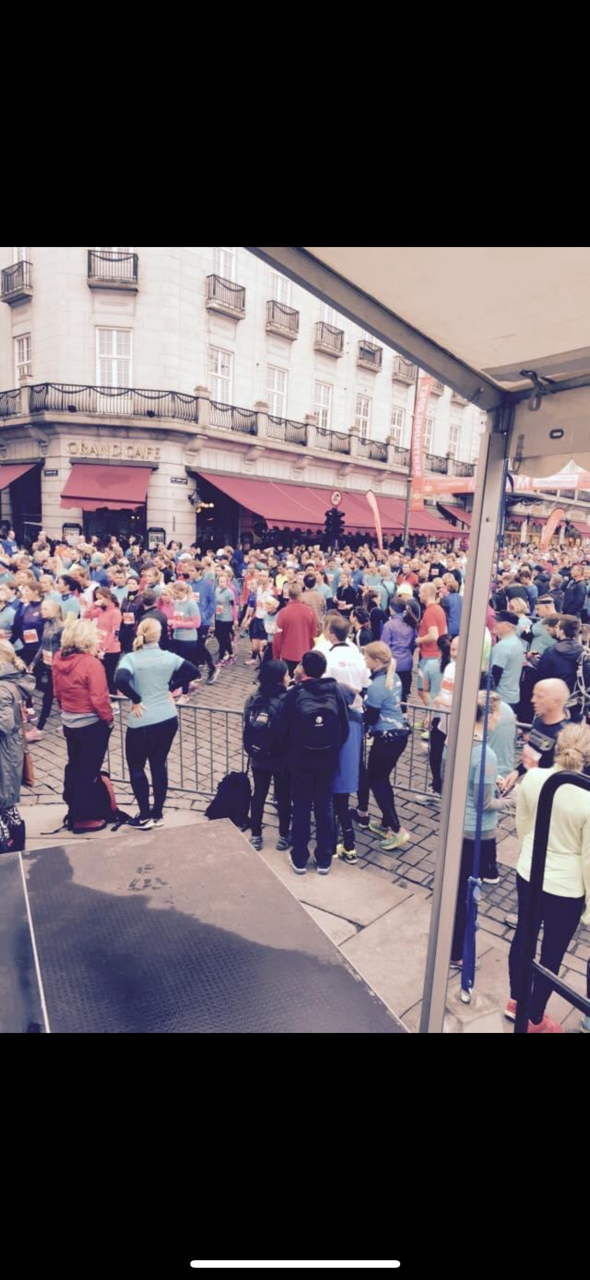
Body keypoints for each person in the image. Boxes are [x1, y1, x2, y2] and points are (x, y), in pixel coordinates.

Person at [506, 723, 590, 1031]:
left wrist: (530, 852)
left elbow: (524, 825)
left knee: (523, 936)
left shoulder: (533, 779)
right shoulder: (587, 798)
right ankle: (534, 1017)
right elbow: (588, 858)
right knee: (551, 953)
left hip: (530, 871)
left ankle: (516, 1000)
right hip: (566, 887)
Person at [115, 618, 198, 829]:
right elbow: (194, 671)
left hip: (143, 720)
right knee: (159, 764)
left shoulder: (131, 658)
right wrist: (171, 687)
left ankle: (145, 816)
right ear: (159, 635)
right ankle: (158, 813)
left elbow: (120, 680)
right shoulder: (168, 657)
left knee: (136, 766)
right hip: (168, 717)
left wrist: (136, 699)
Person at [278, 649, 349, 874]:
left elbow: (282, 728)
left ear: (303, 669)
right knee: (324, 806)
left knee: (300, 807)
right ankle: (324, 859)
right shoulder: (335, 691)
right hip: (327, 759)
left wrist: (290, 753)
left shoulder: (294, 693)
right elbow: (344, 726)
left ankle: (299, 858)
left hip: (300, 760)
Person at [447, 692, 504, 969]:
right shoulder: (486, 755)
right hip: (474, 833)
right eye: (498, 714)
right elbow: (485, 804)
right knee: (468, 897)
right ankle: (458, 952)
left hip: (457, 827)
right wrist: (512, 798)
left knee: (456, 890)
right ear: (489, 716)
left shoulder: (454, 740)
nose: (500, 719)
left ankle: (451, 944)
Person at [51, 617, 114, 831]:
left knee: (75, 766)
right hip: (91, 723)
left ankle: (73, 808)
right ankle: (83, 817)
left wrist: (66, 709)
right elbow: (99, 698)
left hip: (70, 721)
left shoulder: (58, 658)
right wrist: (109, 720)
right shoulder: (91, 664)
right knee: (89, 771)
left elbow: (57, 691)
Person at [363, 641, 411, 851]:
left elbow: (371, 716)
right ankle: (386, 824)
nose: (364, 660)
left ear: (375, 661)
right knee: (383, 778)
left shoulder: (376, 686)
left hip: (386, 738)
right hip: (398, 734)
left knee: (377, 781)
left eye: (366, 657)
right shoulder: (394, 676)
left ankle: (397, 829)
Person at [243, 658, 291, 852]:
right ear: (280, 678)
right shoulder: (288, 698)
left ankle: (256, 835)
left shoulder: (254, 696)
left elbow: (247, 721)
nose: (289, 677)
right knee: (284, 796)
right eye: (287, 674)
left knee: (259, 794)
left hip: (258, 755)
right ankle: (284, 836)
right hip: (281, 757)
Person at [499, 677, 571, 793]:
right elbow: (533, 754)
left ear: (555, 701)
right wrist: (517, 772)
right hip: (532, 786)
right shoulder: (538, 721)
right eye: (534, 695)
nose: (533, 700)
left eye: (540, 697)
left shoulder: (566, 734)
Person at [0, 639, 34, 853]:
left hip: (4, 753)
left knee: (4, 803)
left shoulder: (1, 688)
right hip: (9, 751)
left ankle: (5, 851)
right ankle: (16, 847)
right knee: (7, 805)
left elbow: (4, 722)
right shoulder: (11, 682)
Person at [332, 685, 364, 864]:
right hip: (350, 772)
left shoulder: (334, 719)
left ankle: (331, 846)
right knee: (343, 807)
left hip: (335, 770)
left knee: (331, 807)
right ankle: (350, 847)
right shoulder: (358, 718)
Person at [29, 598, 64, 734]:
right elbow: (42, 646)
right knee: (57, 696)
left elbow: (64, 649)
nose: (41, 611)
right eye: (42, 608)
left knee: (48, 697)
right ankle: (67, 722)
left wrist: (59, 664)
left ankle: (39, 728)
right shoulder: (46, 624)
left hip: (57, 668)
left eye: (45, 609)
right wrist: (34, 662)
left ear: (54, 610)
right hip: (47, 667)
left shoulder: (61, 627)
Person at [534, 614, 583, 709]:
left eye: (557, 627)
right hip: (575, 700)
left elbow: (541, 677)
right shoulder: (582, 651)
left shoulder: (551, 651)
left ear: (562, 630)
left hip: (554, 699)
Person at [380, 595, 419, 711]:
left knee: (391, 691)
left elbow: (384, 646)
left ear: (392, 609)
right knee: (404, 693)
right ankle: (404, 714)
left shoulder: (389, 625)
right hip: (407, 662)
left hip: (392, 663)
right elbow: (414, 643)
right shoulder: (411, 624)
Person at [83, 587, 122, 695]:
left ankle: (114, 699)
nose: (98, 601)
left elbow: (115, 633)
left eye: (100, 598)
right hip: (99, 647)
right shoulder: (100, 610)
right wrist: (94, 605)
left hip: (110, 650)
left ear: (108, 597)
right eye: (97, 598)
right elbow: (86, 615)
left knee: (109, 676)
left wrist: (105, 649)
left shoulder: (115, 612)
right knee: (98, 676)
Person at [272, 584, 317, 677]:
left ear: (288, 595)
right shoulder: (309, 611)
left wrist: (276, 654)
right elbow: (313, 635)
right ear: (301, 594)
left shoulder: (283, 612)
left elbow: (277, 636)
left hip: (287, 654)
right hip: (304, 653)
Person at [170, 580, 202, 700]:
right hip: (177, 637)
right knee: (177, 666)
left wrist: (179, 624)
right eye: (174, 593)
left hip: (188, 639)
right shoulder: (175, 603)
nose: (175, 595)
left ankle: (185, 693)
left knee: (184, 667)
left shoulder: (191, 604)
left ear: (184, 591)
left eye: (177, 593)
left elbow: (196, 623)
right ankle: (187, 686)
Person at [491, 610, 524, 713]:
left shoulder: (503, 646)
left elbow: (495, 675)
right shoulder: (517, 643)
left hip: (500, 698)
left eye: (498, 622)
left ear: (509, 626)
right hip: (512, 697)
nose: (494, 624)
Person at [213, 572, 236, 666]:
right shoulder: (216, 589)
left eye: (223, 581)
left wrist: (235, 619)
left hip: (226, 618)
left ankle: (221, 658)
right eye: (220, 581)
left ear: (227, 582)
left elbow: (233, 606)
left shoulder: (229, 592)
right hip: (218, 616)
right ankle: (231, 654)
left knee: (223, 638)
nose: (222, 583)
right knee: (219, 635)